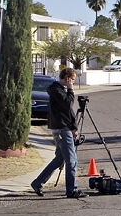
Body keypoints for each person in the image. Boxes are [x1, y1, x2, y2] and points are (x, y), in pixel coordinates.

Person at [30, 67, 86, 198]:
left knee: (59, 159)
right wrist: (71, 89)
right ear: (66, 78)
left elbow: (67, 112)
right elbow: (68, 104)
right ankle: (71, 190)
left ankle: (38, 182)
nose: (72, 82)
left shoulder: (60, 90)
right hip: (62, 129)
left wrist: (73, 127)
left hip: (64, 127)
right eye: (71, 80)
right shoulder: (56, 90)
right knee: (72, 161)